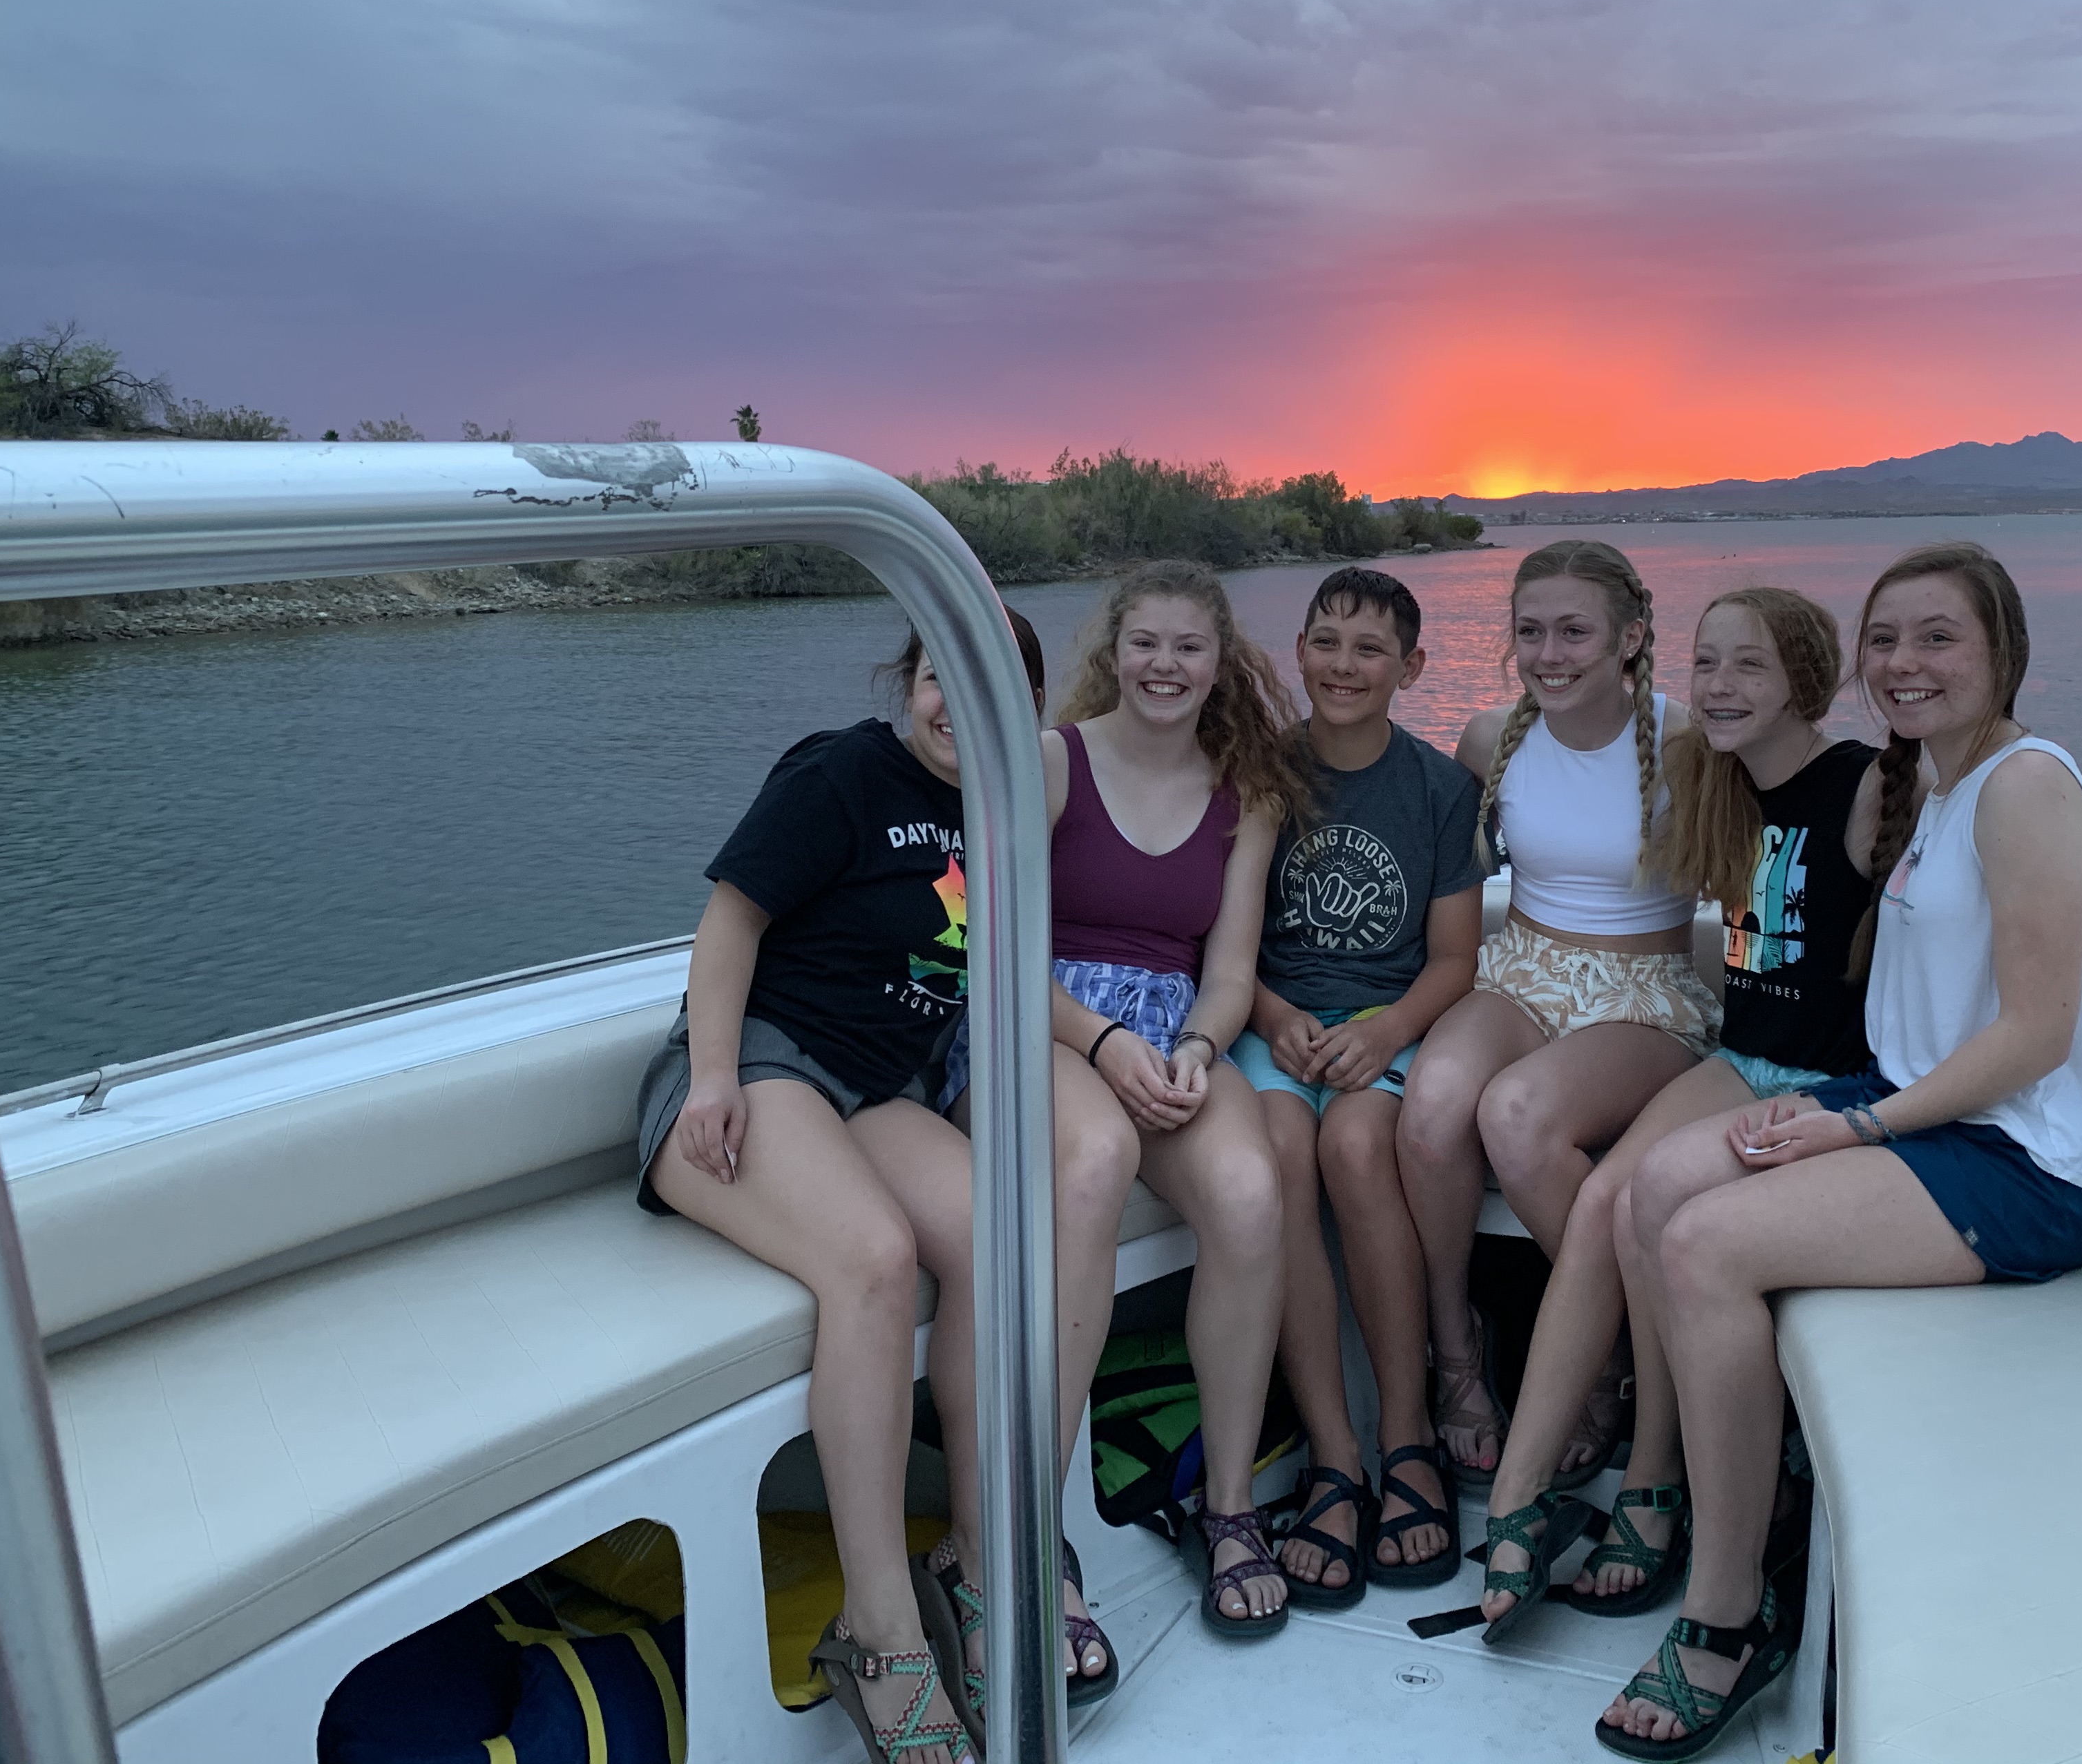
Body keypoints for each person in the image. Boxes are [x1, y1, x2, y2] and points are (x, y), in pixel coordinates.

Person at [1596, 542, 2082, 1760]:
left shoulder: (2022, 785)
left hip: (2029, 1158)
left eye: (1939, 637)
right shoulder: (1939, 787)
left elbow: (2039, 1035)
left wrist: (1855, 1126)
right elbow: (1997, 932)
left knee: (1706, 1243)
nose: (1905, 663)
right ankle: (1721, 1479)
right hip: (1920, 1106)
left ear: (2005, 651)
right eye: (1886, 640)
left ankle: (1729, 1612)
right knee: (1658, 1184)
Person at [636, 609, 1140, 1764]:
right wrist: (712, 1075)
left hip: (870, 1094)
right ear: (906, 682)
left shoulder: (1003, 812)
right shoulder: (842, 774)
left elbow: (1011, 964)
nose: (953, 704)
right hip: (755, 1068)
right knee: (872, 1260)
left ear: (1029, 706)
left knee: (1004, 1241)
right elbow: (730, 924)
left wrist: (1114, 1047)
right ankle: (879, 1629)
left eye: (984, 682)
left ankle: (980, 1558)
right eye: (934, 676)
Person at [1473, 587, 1873, 1636]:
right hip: (1744, 1058)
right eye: (1708, 664)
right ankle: (1517, 1494)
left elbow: (1969, 860)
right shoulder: (1715, 777)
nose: (1721, 686)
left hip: (1834, 1081)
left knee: (1644, 1206)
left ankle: (1654, 1478)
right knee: (1604, 1203)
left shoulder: (1867, 783)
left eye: (1751, 665)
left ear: (1806, 679)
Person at [1398, 540, 1719, 1547]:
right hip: (1521, 973)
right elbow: (1428, 862)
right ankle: (1457, 1349)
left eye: (1575, 631)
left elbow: (1810, 838)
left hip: (1644, 993)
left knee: (1517, 1116)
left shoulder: (1691, 741)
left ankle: (1606, 1355)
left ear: (1630, 636)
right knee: (1431, 1108)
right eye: (1530, 631)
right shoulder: (1490, 737)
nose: (1549, 653)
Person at [1015, 560, 1309, 1640]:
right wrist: (1100, 1043)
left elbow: (1229, 970)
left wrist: (1193, 1048)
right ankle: (1033, 1530)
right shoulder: (1052, 762)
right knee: (1094, 1161)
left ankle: (1228, 1506)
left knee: (1250, 1193)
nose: (1164, 666)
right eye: (1146, 642)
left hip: (1171, 1032)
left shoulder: (1248, 793)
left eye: (1189, 647)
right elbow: (996, 943)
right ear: (1115, 649)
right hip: (1044, 1025)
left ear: (1220, 663)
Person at [1231, 568, 1486, 1605]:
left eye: (1370, 648)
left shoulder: (1438, 791)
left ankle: (1407, 1438)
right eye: (1326, 643)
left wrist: (1385, 1033)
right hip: (1274, 1024)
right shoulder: (1257, 775)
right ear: (1298, 652)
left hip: (1387, 1026)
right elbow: (1217, 939)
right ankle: (1335, 1456)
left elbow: (1455, 961)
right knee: (1280, 1157)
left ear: (1410, 668)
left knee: (1353, 1144)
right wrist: (1272, 1017)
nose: (1344, 665)